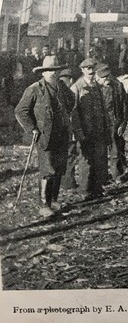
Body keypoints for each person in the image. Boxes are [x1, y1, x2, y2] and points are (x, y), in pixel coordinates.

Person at [14, 56, 77, 217]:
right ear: (43, 72)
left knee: (59, 168)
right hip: (44, 136)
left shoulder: (61, 87)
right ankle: (44, 204)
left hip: (61, 134)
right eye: (49, 71)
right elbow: (20, 111)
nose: (52, 74)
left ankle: (54, 201)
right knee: (48, 169)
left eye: (55, 71)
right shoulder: (34, 89)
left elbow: (71, 101)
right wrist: (32, 128)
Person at [71, 57, 110, 200]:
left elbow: (103, 109)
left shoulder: (96, 86)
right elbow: (73, 112)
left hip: (99, 129)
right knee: (86, 161)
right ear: (82, 70)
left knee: (99, 159)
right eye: (87, 68)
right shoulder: (77, 87)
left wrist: (106, 127)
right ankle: (84, 190)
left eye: (93, 68)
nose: (91, 71)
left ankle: (97, 188)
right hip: (85, 131)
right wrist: (78, 132)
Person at [95, 64, 128, 185]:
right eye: (103, 77)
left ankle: (117, 175)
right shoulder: (94, 88)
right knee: (100, 152)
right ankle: (102, 177)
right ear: (97, 78)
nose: (106, 79)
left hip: (115, 122)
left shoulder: (118, 86)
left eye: (107, 76)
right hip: (99, 124)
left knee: (116, 150)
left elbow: (125, 106)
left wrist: (123, 124)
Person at [58, 68, 79, 191]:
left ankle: (61, 182)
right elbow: (72, 107)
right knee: (70, 153)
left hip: (55, 129)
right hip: (67, 126)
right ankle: (68, 182)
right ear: (70, 79)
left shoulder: (54, 87)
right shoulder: (68, 90)